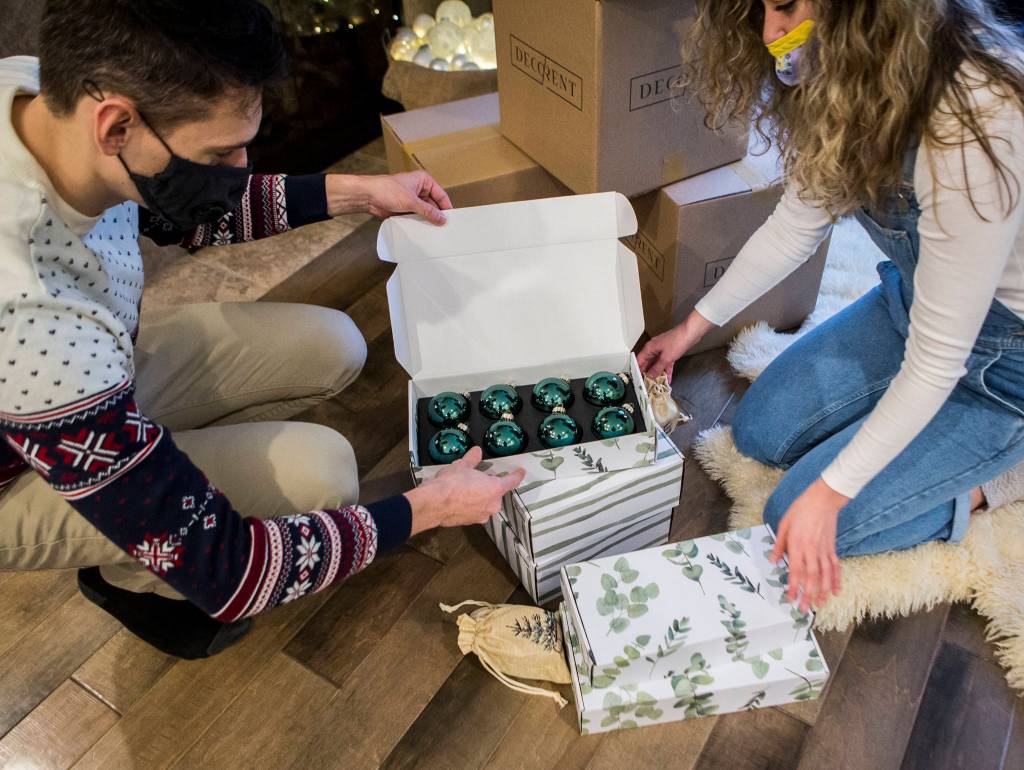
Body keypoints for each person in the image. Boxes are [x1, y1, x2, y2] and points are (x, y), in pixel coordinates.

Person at [0, 0, 523, 660]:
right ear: (115, 126)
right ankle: (131, 573)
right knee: (322, 473)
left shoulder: (35, 92)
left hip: (99, 372)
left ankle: (141, 487)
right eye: (221, 152)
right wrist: (432, 507)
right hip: (17, 467)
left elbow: (185, 208)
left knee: (333, 344)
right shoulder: (34, 313)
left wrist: (362, 192)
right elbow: (229, 570)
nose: (240, 168)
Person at [639, 0, 1024, 614]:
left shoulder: (975, 118)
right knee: (760, 431)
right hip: (915, 307)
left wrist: (829, 494)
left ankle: (999, 477)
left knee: (796, 512)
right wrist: (690, 329)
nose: (771, 32)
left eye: (785, 6)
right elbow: (795, 228)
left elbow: (936, 361)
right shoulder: (856, 84)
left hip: (1006, 369)